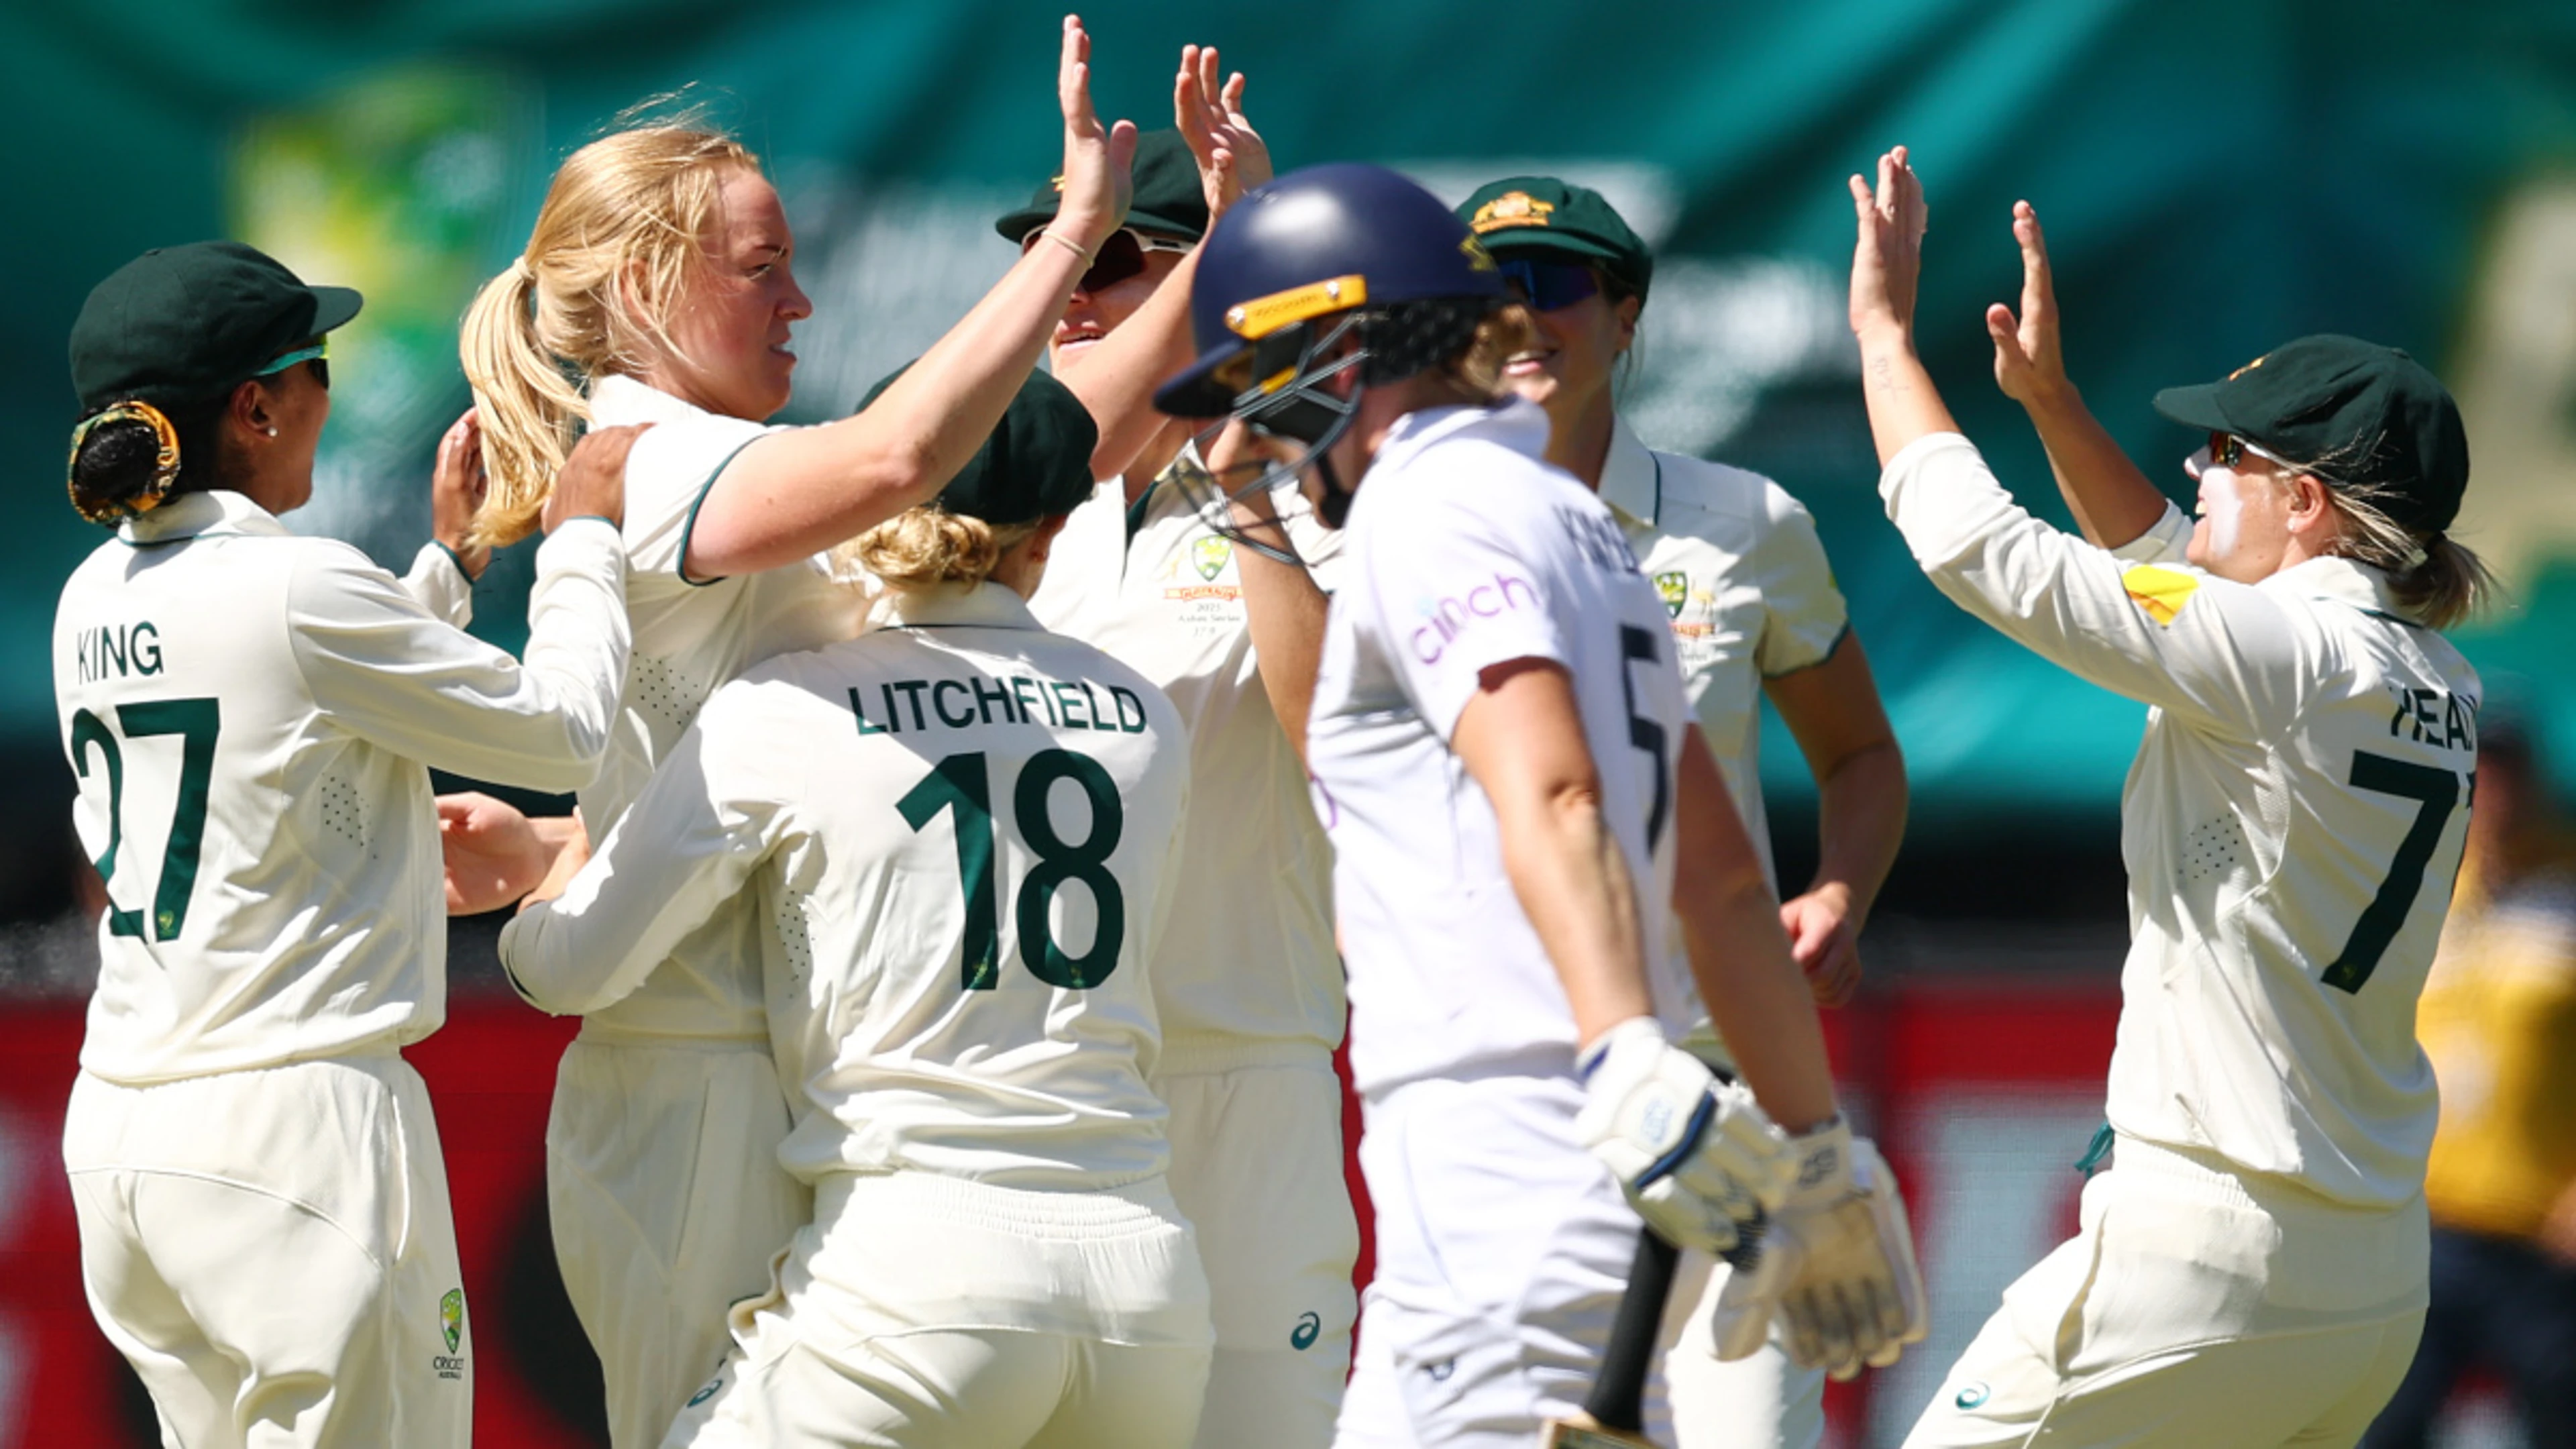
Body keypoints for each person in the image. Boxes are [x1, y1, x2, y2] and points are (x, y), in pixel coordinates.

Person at [437, 21, 1140, 1445]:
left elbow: (1036, 461)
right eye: (763, 268)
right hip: (688, 1089)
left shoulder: (713, 460)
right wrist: (1071, 239)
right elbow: (905, 458)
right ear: (643, 287)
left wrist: (1221, 268)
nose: (803, 302)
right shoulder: (659, 459)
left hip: (781, 1078)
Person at [1155, 162, 1927, 1446]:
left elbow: (1556, 787)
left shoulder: (1432, 508)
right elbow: (1725, 883)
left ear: (1346, 349)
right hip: (1578, 1185)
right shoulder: (1574, 525)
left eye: (1269, 383)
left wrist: (1623, 1050)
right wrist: (1817, 1146)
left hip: (1509, 1182)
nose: (1268, 436)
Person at [1847, 147, 2496, 1448]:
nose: (2197, 470)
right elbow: (2167, 573)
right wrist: (2050, 404)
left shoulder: (2284, 660)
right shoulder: (2440, 677)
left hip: (2202, 1252)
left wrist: (1880, 336)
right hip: (2365, 1288)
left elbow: (1977, 549)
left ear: (2307, 502)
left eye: (2224, 453)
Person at [499, 370, 1214, 1448]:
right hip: (1148, 1289)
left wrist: (541, 881)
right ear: (1057, 530)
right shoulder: (1145, 717)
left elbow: (570, 971)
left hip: (922, 1265)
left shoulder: (790, 701)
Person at [52, 239, 632, 1448]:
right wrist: (583, 539)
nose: (329, 390)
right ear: (256, 407)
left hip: (123, 1141)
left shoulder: (88, 595)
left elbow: (287, 698)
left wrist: (449, 566)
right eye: (316, 363)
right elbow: (566, 734)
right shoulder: (298, 585)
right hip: (293, 1129)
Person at [1459, 174, 1909, 1449]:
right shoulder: (1394, 529)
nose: (1521, 315)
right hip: (1518, 1105)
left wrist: (1836, 894)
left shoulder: (1748, 525)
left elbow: (1864, 757)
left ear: (1625, 315)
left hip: (1730, 1091)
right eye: (1488, 289)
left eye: (1556, 285)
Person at [997, 58, 1361, 1445]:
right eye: (1052, 260)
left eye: (1113, 260)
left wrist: (1250, 469)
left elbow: (1344, 742)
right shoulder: (1012, 515)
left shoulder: (1324, 486)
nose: (1071, 295)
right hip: (1037, 1089)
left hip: (1242, 1070)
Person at [2361, 709, 2576, 1447]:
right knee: (2386, 1423)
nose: (2493, 793)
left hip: (2543, 1228)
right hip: (2426, 1223)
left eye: (2507, 773)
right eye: (2478, 774)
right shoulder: (2414, 887)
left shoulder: (2567, 889)